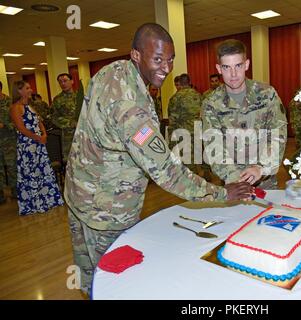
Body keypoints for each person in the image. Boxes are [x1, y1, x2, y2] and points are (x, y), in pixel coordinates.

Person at [64, 23, 253, 296]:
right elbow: (166, 171)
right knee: (115, 283)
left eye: (170, 59)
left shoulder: (113, 71)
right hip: (106, 208)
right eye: (157, 59)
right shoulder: (130, 107)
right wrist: (222, 192)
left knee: (90, 280)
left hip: (79, 193)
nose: (166, 67)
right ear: (136, 55)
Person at [202, 39, 288, 189]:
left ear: (246, 64)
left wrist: (261, 167)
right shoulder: (211, 103)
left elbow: (277, 134)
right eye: (226, 67)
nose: (233, 74)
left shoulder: (267, 94)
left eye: (238, 66)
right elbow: (213, 146)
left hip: (265, 181)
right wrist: (235, 178)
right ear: (219, 68)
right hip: (232, 184)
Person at [9, 81, 64, 215]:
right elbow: (21, 128)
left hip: (39, 144)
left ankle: (48, 200)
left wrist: (44, 134)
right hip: (28, 146)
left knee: (43, 172)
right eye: (27, 88)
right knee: (31, 173)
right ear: (19, 91)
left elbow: (39, 122)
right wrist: (37, 137)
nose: (30, 90)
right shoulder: (16, 107)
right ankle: (35, 203)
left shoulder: (30, 106)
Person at [168, 73, 202, 174]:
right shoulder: (198, 95)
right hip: (196, 130)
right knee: (196, 158)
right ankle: (197, 179)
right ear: (189, 82)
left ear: (180, 83)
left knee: (187, 159)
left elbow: (172, 118)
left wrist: (171, 136)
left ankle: (192, 181)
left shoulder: (175, 98)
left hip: (183, 131)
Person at [51, 73, 83, 163]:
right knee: (71, 160)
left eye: (65, 81)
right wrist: (70, 123)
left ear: (72, 81)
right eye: (60, 82)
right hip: (69, 135)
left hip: (83, 133)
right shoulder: (57, 99)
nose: (63, 84)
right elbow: (54, 117)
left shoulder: (80, 96)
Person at [0, 81, 17, 203]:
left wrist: (5, 125)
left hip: (9, 140)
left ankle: (16, 191)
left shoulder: (10, 102)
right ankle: (1, 195)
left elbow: (17, 121)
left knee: (12, 167)